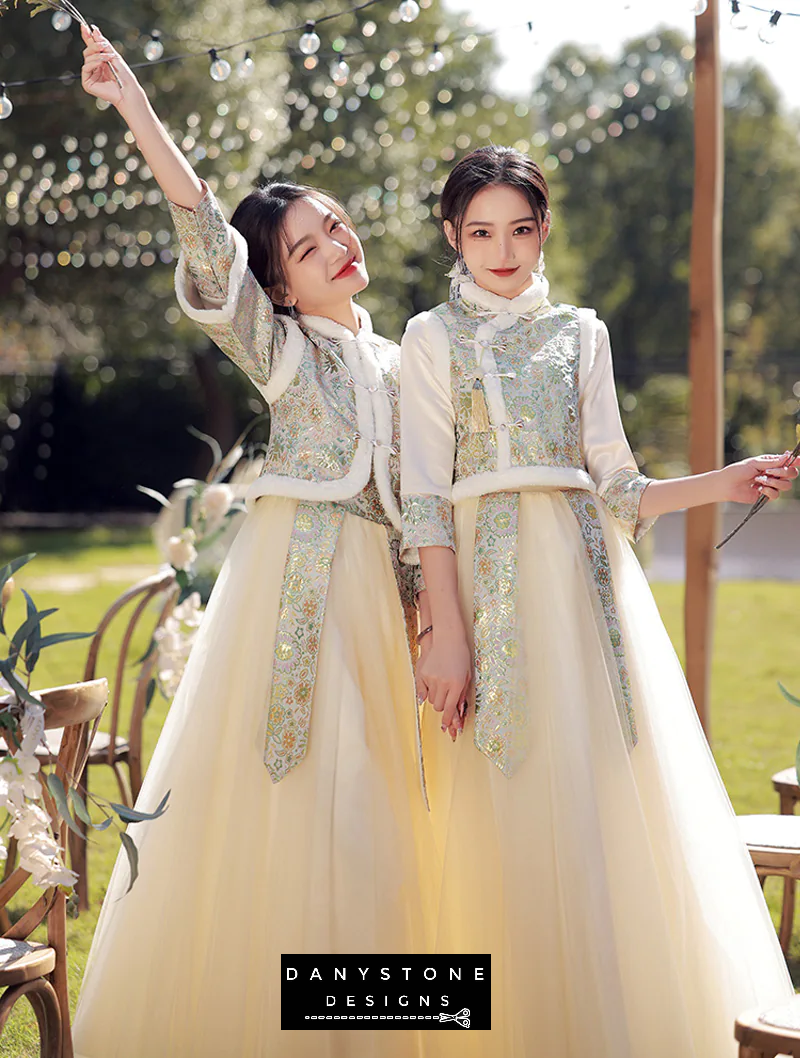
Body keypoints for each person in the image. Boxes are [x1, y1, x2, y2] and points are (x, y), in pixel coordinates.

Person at [73, 25, 434, 1058]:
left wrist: (425, 611)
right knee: (317, 798)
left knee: (380, 819)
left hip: (377, 597)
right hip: (298, 593)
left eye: (335, 226)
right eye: (307, 248)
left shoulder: (398, 356)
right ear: (274, 287)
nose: (336, 246)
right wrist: (133, 104)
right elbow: (200, 225)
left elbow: (422, 499)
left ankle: (377, 1027)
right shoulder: (279, 348)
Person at [400, 143, 797, 1057]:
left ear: (545, 231)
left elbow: (616, 484)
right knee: (496, 808)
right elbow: (424, 492)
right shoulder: (429, 337)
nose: (503, 252)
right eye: (481, 232)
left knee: (593, 804)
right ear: (453, 237)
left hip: (585, 597)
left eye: (521, 229)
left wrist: (724, 482)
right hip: (486, 594)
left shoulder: (581, 331)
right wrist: (445, 630)